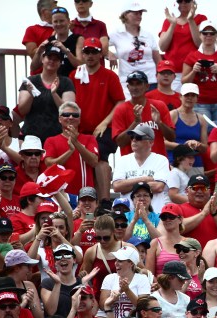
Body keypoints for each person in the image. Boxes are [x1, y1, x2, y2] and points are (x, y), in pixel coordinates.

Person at [68, 37, 124, 201]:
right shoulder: (75, 74)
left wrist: (105, 122)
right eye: (87, 51)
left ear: (100, 54)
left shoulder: (109, 76)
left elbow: (120, 101)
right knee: (82, 161)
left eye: (94, 51)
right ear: (82, 54)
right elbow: (69, 102)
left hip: (103, 129)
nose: (90, 55)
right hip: (81, 129)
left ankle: (105, 202)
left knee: (99, 157)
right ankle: (87, 203)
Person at [16, 45, 76, 144]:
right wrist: (31, 94)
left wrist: (54, 93)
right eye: (49, 57)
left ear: (60, 63)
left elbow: (68, 112)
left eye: (56, 59)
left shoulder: (66, 82)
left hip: (57, 137)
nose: (52, 61)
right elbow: (22, 110)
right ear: (43, 59)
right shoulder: (30, 81)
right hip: (31, 136)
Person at [183, 21, 217, 126]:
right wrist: (194, 71)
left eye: (212, 33)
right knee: (205, 130)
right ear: (200, 35)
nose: (208, 35)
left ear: (216, 35)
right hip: (201, 102)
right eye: (205, 32)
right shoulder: (192, 56)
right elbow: (184, 81)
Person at [112, 70, 175, 160]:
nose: (135, 87)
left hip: (157, 164)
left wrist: (159, 123)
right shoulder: (121, 109)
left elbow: (172, 137)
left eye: (138, 84)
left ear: (147, 86)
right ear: (128, 87)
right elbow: (120, 143)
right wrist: (136, 122)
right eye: (132, 84)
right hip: (132, 166)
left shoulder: (159, 106)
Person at [158, 0, 205, 90]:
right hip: (174, 72)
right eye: (180, 1)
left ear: (193, 2)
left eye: (187, 1)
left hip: (193, 71)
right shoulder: (169, 21)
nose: (183, 3)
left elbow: (200, 43)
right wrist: (172, 25)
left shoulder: (201, 18)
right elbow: (162, 47)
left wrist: (190, 20)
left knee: (193, 101)